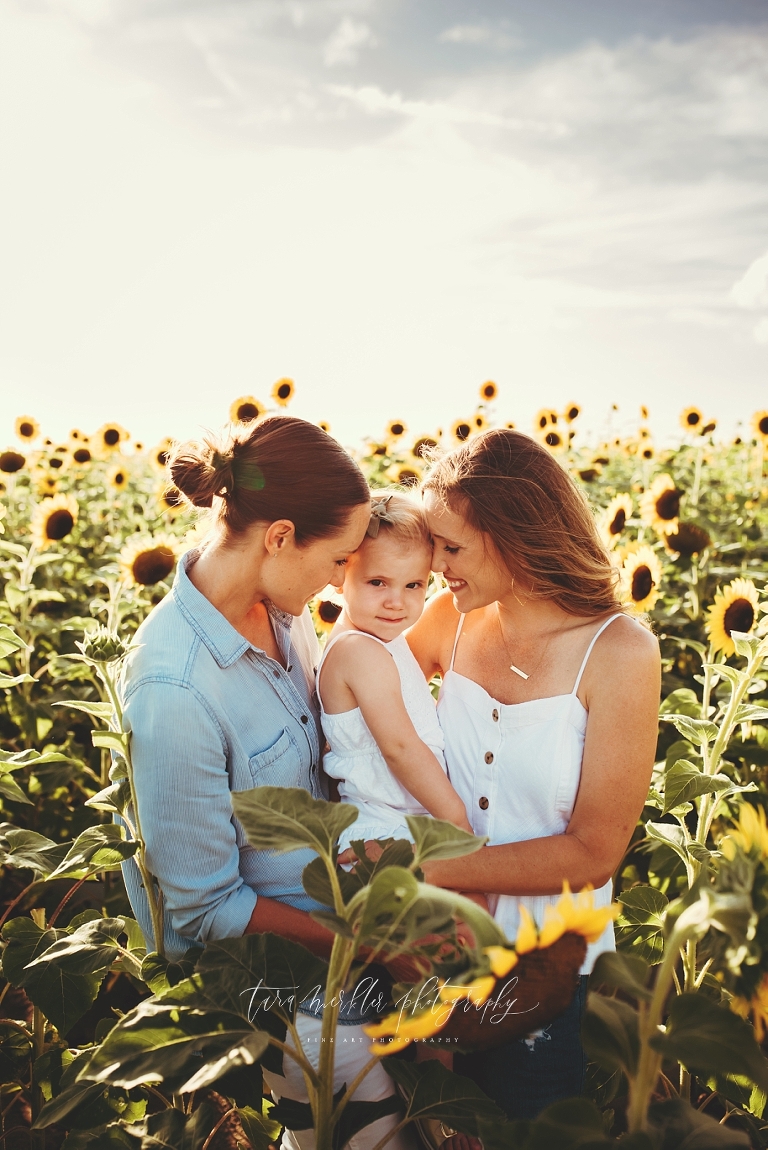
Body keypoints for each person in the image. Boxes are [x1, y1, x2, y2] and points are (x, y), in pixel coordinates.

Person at [117, 415, 415, 1150]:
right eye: (337, 557)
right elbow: (205, 909)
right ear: (280, 536)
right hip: (279, 979)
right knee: (374, 1133)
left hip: (345, 924)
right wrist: (367, 946)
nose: (337, 578)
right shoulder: (174, 689)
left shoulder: (283, 615)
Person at [407, 428, 660, 1121]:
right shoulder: (447, 620)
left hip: (543, 969)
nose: (438, 567)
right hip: (429, 949)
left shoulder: (619, 652)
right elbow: (364, 686)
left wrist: (431, 872)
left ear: (512, 536)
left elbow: (594, 854)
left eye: (451, 547)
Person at [318, 491, 475, 851]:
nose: (396, 601)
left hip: (402, 820)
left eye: (413, 585)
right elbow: (400, 748)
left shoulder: (378, 639)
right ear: (341, 573)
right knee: (465, 903)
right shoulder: (359, 651)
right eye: (377, 582)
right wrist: (456, 820)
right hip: (383, 830)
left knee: (473, 902)